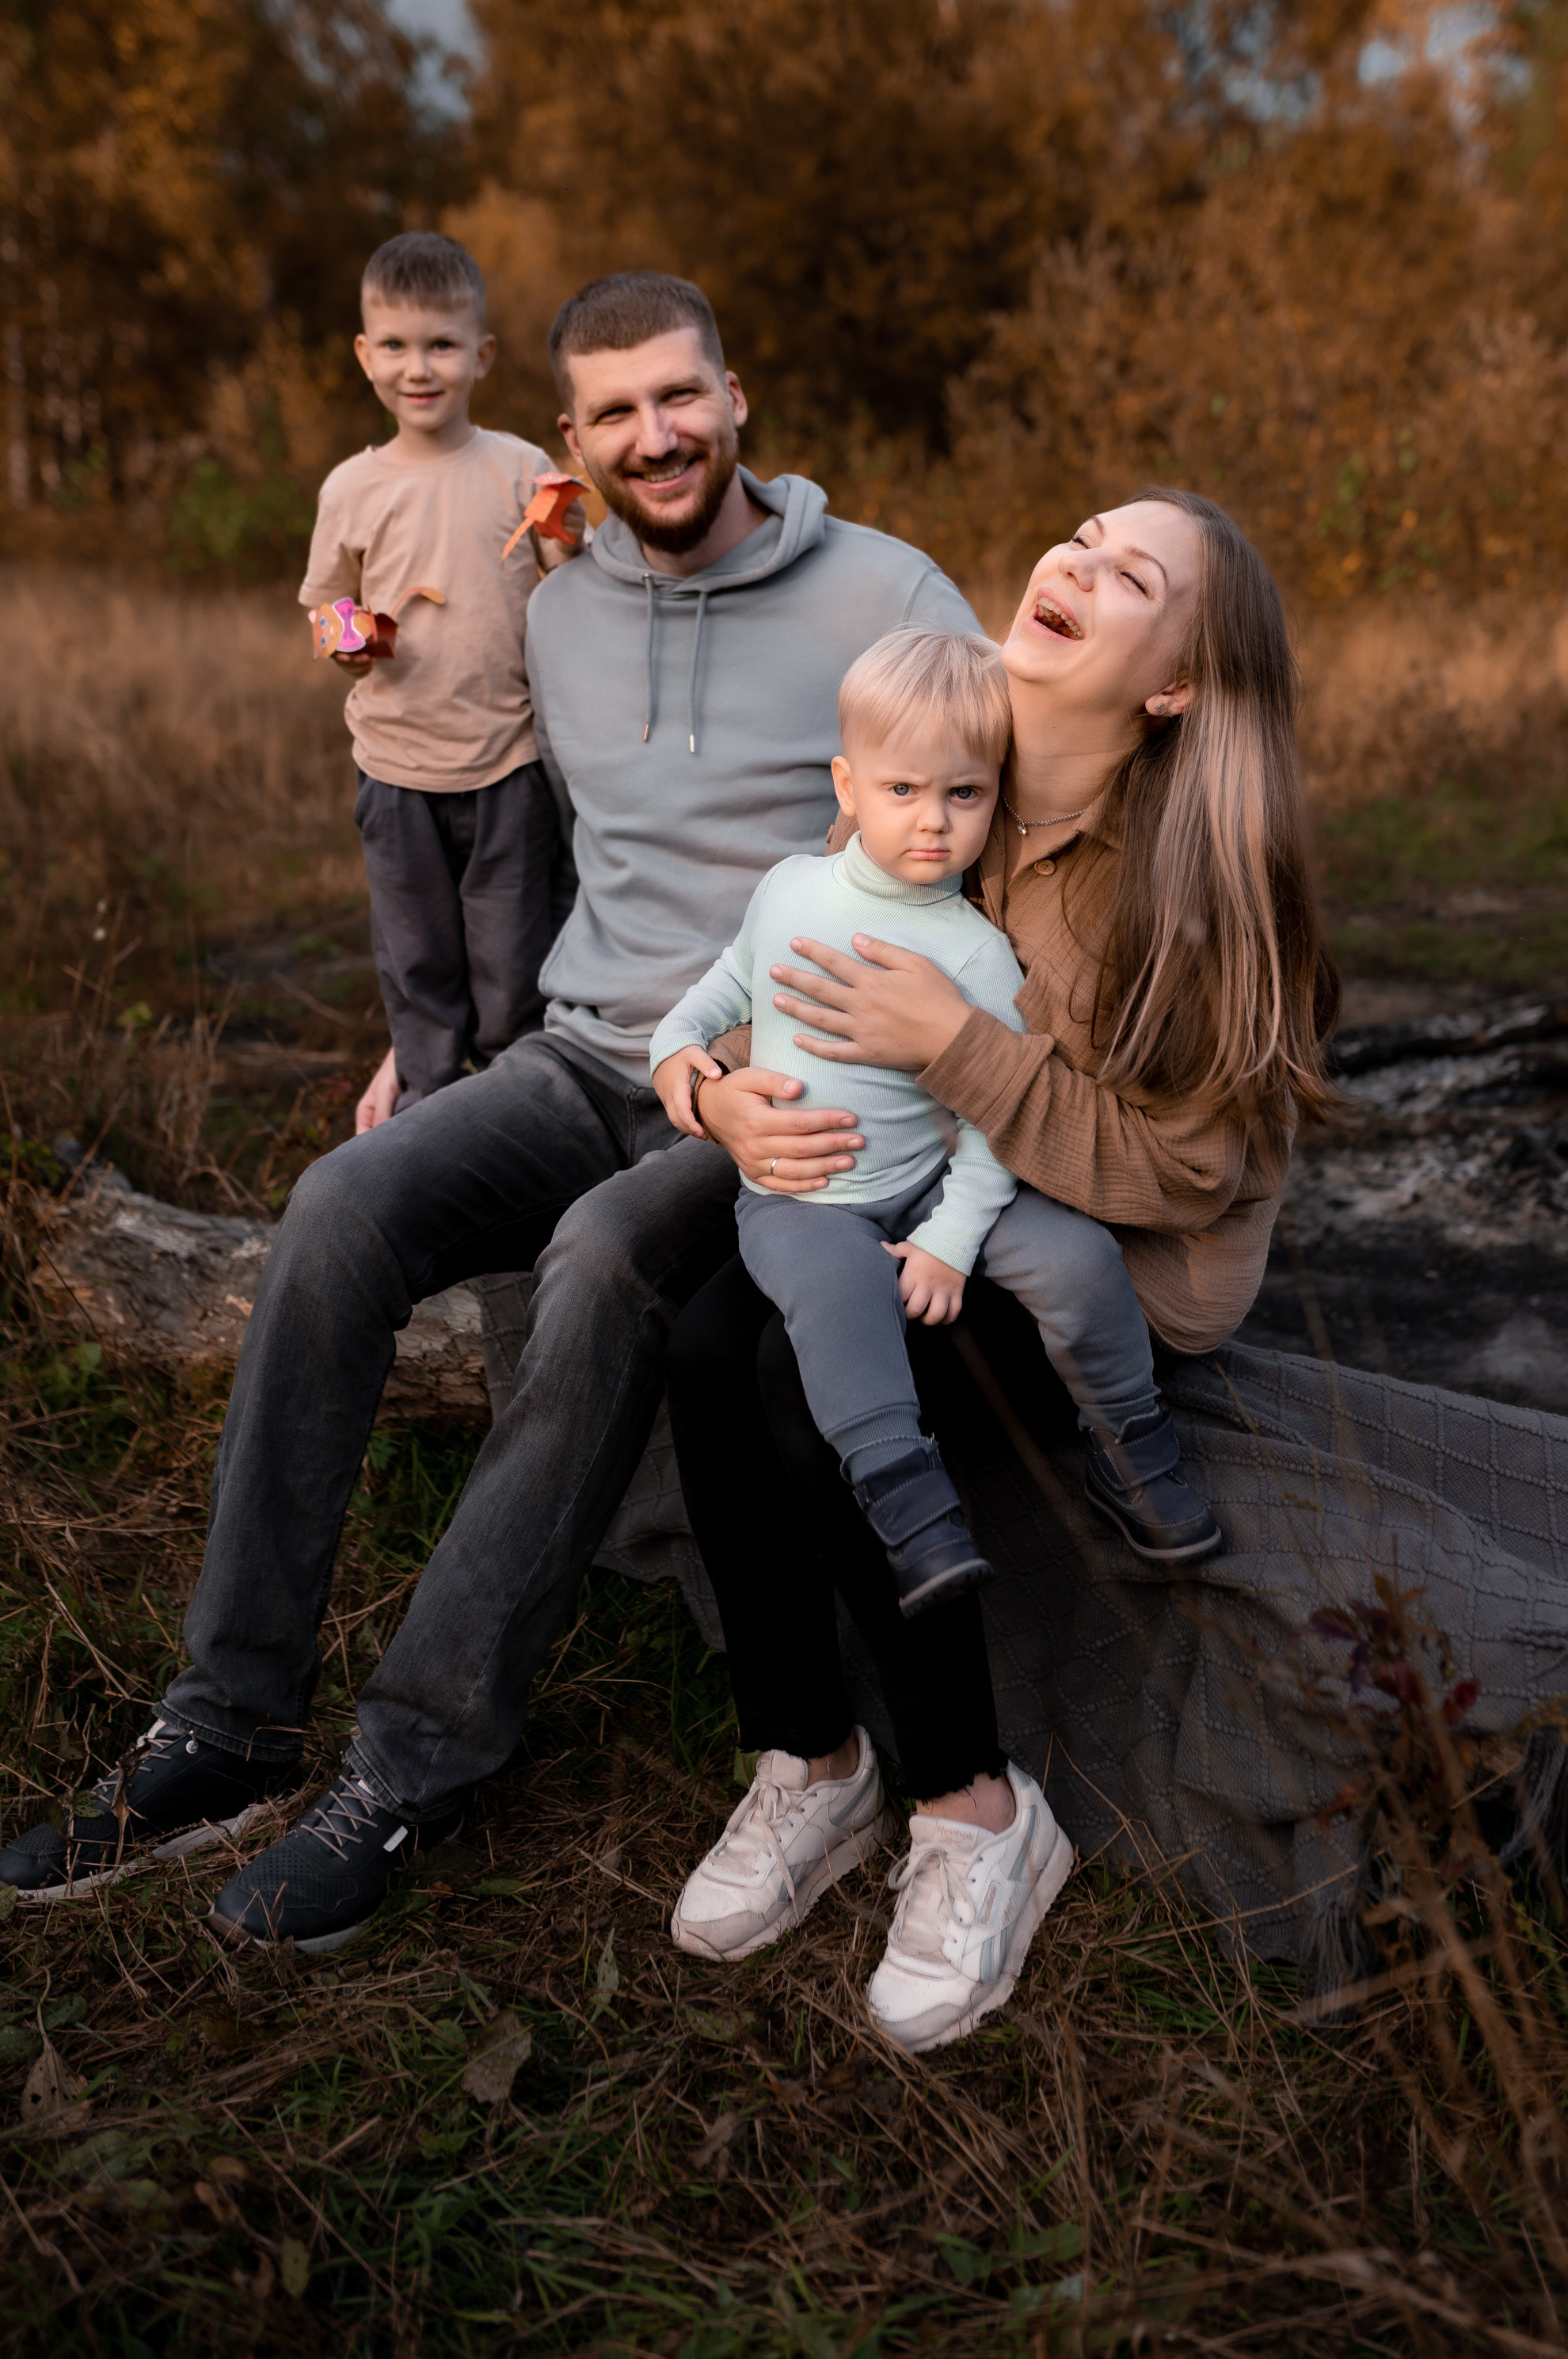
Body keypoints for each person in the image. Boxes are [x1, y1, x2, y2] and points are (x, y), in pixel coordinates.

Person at [1, 271, 978, 1949]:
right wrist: (423, 1032)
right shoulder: (559, 598)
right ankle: (227, 1729)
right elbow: (477, 802)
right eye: (610, 412)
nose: (651, 437)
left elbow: (992, 843)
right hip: (578, 1049)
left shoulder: (883, 593)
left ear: (735, 396)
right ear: (572, 438)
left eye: (678, 398)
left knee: (598, 1265)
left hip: (765, 1099)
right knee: (338, 1206)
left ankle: (411, 1764)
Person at [665, 489, 1337, 2051]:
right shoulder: (950, 754)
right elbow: (804, 967)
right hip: (911, 1190)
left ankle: (974, 1808)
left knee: (796, 1373)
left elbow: (1193, 1170)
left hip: (1100, 1269)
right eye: (1083, 536)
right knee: (705, 1343)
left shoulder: (1194, 870)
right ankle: (811, 1761)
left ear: (1171, 681)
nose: (1077, 565)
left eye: (1133, 578)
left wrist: (959, 1053)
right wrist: (727, 1090)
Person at [651, 623, 1220, 1621]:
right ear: (846, 786)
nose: (933, 823)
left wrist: (949, 1244)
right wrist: (678, 1061)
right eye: (901, 790)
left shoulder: (975, 954)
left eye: (964, 794)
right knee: (833, 1300)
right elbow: (719, 989)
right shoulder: (789, 892)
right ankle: (907, 1500)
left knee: (1079, 1256)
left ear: (994, 794)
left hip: (937, 1177)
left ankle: (1129, 1437)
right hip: (804, 1197)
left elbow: (996, 1120)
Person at [303, 231, 580, 1127]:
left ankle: (514, 1112)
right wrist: (345, 637)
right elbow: (326, 601)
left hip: (508, 762)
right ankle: (427, 1111)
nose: (417, 367)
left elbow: (570, 572)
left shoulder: (517, 467)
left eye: (441, 344)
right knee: (417, 959)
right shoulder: (352, 486)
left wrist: (570, 523)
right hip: (394, 769)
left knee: (510, 957)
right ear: (363, 354)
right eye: (395, 344)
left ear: (480, 355)